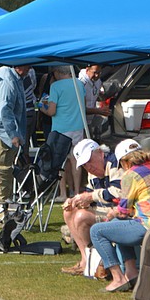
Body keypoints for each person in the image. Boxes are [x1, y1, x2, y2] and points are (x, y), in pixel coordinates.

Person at [89, 140, 150, 293]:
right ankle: (131, 273)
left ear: (125, 161)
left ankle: (118, 278)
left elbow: (124, 211)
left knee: (96, 231)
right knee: (119, 222)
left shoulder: (131, 175)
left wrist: (112, 213)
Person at [60, 139, 124, 276]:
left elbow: (118, 193)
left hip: (118, 211)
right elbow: (88, 193)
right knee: (69, 212)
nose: (88, 166)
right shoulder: (93, 172)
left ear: (100, 152)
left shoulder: (114, 164)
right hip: (106, 209)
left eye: (89, 160)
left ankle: (94, 261)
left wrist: (90, 197)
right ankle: (85, 260)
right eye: (84, 164)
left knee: (81, 217)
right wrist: (75, 200)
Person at [0, 64, 30, 209]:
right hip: (1, 133)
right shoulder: (7, 80)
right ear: (18, 65)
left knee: (6, 173)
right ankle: (1, 214)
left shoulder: (13, 78)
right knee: (3, 173)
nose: (29, 69)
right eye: (27, 66)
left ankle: (4, 210)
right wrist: (13, 134)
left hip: (2, 133)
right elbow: (5, 109)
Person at [41, 65, 87, 199]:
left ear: (57, 72)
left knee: (59, 161)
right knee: (76, 161)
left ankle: (63, 193)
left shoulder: (55, 86)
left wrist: (41, 106)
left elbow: (51, 111)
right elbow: (83, 105)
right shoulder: (79, 84)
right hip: (78, 126)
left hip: (61, 129)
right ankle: (77, 192)